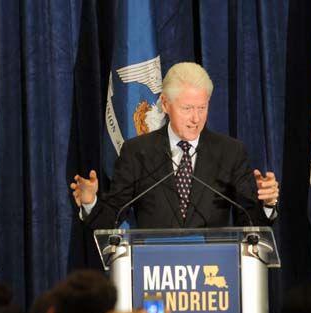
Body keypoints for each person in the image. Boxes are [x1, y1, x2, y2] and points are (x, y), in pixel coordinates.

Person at [70, 62, 279, 229]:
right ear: (165, 103)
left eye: (202, 108)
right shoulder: (137, 152)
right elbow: (111, 219)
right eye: (187, 108)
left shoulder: (230, 152)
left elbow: (252, 224)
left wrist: (267, 204)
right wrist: (90, 202)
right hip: (155, 272)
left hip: (213, 270)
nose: (196, 118)